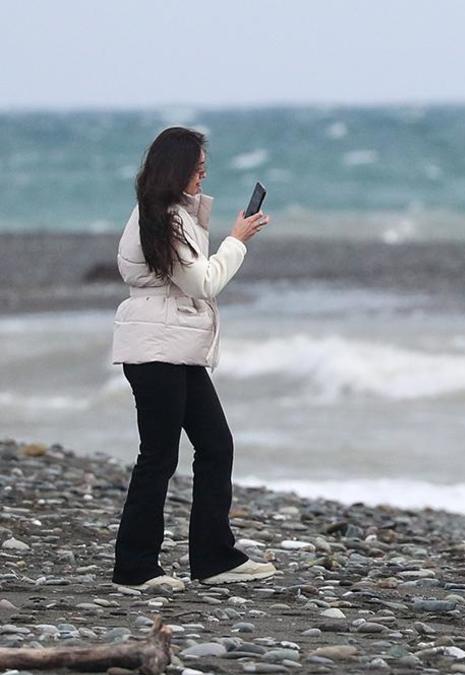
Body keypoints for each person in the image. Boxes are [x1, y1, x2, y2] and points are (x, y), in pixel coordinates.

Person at [110, 127, 276, 590]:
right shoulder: (164, 217)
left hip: (173, 348)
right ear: (176, 170)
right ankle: (135, 568)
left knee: (216, 445)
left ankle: (214, 558)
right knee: (159, 457)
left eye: (204, 168)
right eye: (197, 169)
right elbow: (202, 282)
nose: (203, 176)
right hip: (157, 349)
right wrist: (237, 239)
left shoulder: (165, 214)